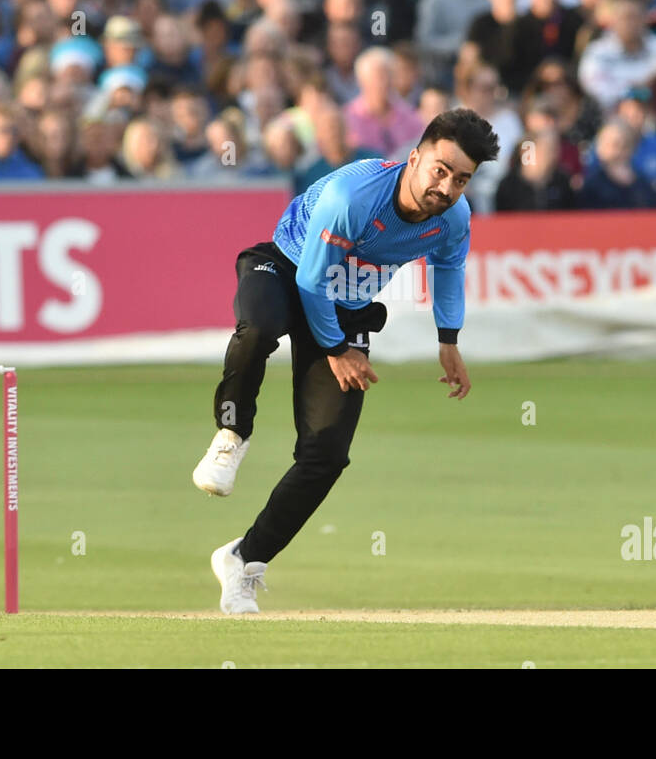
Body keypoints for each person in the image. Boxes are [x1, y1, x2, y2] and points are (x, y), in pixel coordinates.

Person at [189, 109, 499, 614]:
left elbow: (449, 268)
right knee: (261, 327)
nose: (446, 188)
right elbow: (311, 283)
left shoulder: (453, 217)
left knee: (327, 455)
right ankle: (232, 434)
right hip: (286, 269)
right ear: (414, 158)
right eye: (439, 170)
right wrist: (337, 350)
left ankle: (243, 560)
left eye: (461, 179)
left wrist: (449, 340)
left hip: (346, 304)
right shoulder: (353, 197)